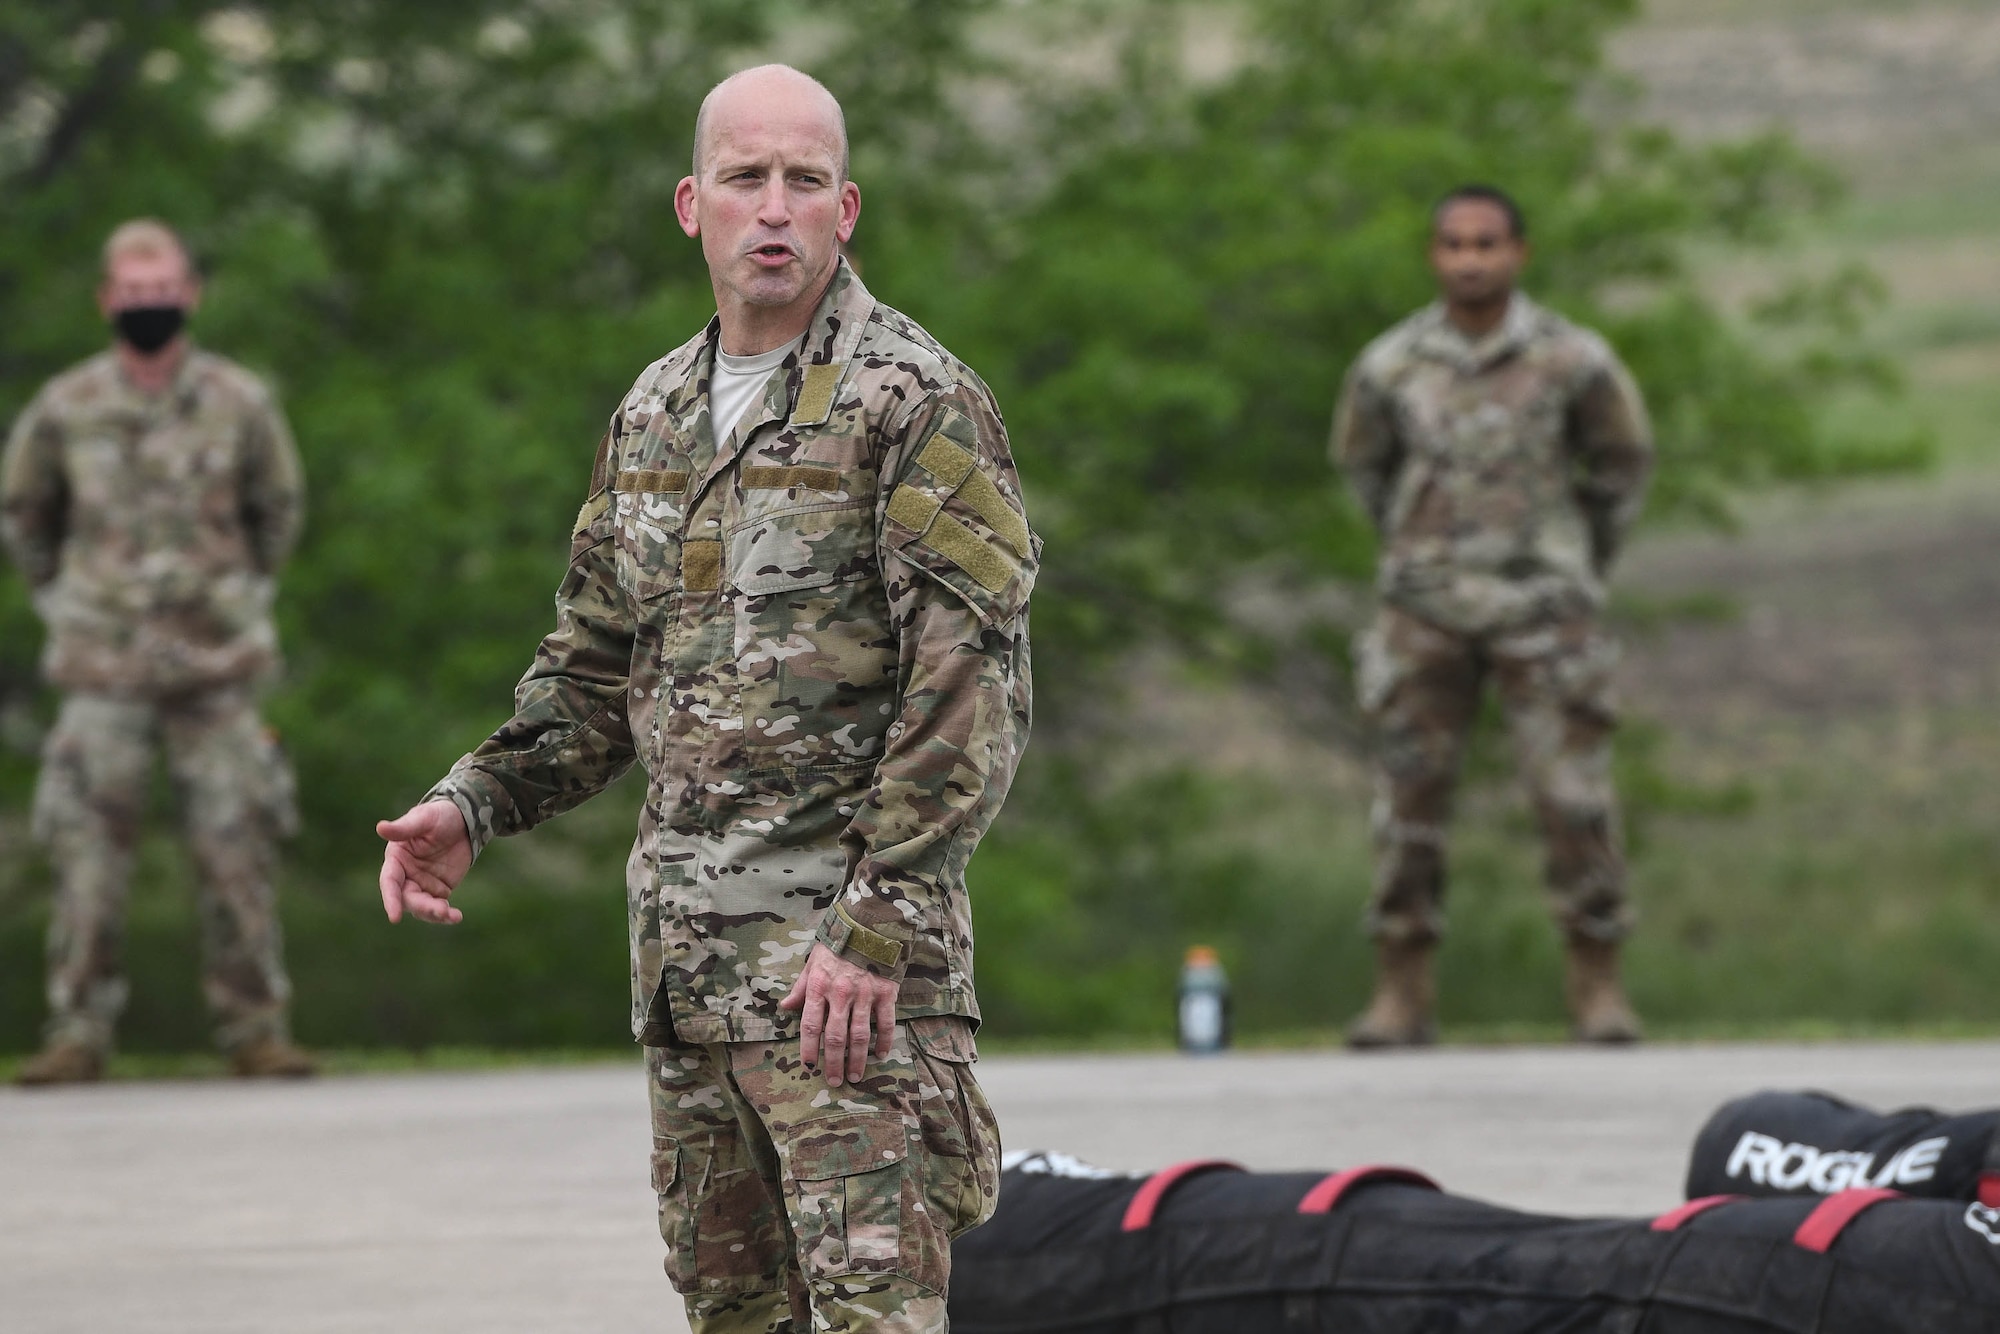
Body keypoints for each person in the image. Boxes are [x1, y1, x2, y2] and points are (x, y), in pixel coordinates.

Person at [375, 65, 1034, 1333]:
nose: (772, 207)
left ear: (848, 209)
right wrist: (474, 803)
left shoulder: (913, 400)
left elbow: (971, 691)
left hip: (849, 996)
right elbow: (590, 666)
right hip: (689, 986)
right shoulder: (655, 412)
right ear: (693, 205)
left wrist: (877, 928)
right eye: (745, 178)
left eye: (802, 180)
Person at [1331, 185, 1653, 1048]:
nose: (1471, 259)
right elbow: (1365, 468)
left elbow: (1622, 463)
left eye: (1488, 243)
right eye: (1454, 244)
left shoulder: (1571, 360)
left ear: (1519, 253)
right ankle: (1401, 988)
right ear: (1435, 255)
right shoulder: (1392, 364)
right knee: (1408, 801)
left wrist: (1575, 557)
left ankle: (1597, 981)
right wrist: (1417, 547)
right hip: (1424, 608)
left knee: (1572, 798)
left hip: (1543, 608)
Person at [2, 219, 313, 1084]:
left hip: (216, 668)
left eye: (162, 290)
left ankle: (256, 1030)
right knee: (84, 861)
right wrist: (62, 599)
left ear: (189, 293)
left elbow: (276, 509)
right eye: (132, 294)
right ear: (108, 300)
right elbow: (26, 513)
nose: (149, 307)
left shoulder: (239, 400)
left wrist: (240, 591)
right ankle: (76, 1034)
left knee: (237, 849)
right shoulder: (66, 407)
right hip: (101, 669)